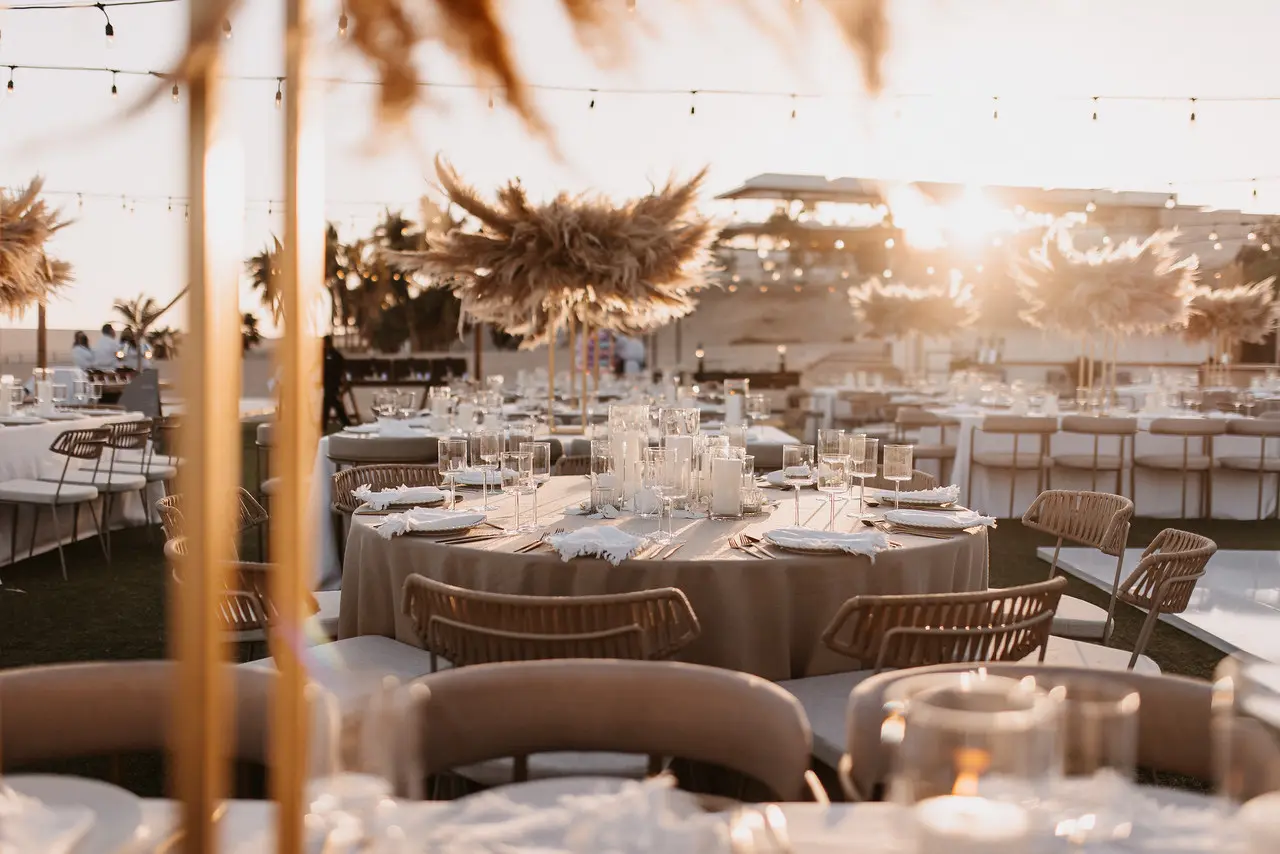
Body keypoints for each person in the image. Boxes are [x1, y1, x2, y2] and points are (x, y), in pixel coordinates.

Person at [322, 335, 350, 431]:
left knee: (329, 403)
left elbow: (342, 371)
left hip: (333, 383)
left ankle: (323, 425)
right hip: (329, 384)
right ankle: (346, 423)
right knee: (333, 404)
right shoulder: (325, 354)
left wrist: (344, 383)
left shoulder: (335, 355)